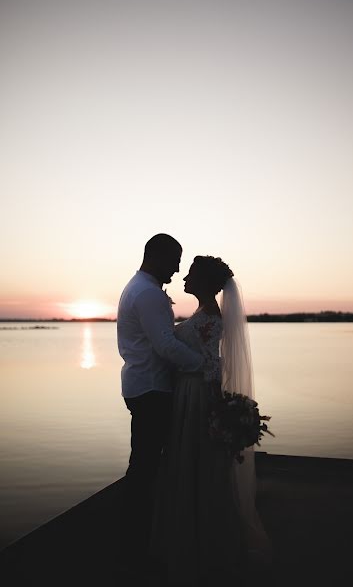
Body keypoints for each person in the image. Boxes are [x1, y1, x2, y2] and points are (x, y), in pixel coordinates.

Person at [151, 255, 271, 587]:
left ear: (204, 282)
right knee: (192, 461)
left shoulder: (210, 319)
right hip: (190, 391)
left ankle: (201, 543)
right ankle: (194, 537)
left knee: (197, 461)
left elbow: (209, 365)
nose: (185, 279)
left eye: (190, 275)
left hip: (197, 394)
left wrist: (215, 406)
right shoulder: (204, 314)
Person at [116, 234, 204, 578]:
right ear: (158, 256)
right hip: (152, 390)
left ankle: (138, 543)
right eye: (175, 259)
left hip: (143, 386)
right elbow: (166, 346)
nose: (178, 268)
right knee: (145, 471)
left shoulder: (138, 288)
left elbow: (163, 339)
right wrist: (206, 365)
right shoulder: (148, 293)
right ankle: (135, 552)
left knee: (146, 467)